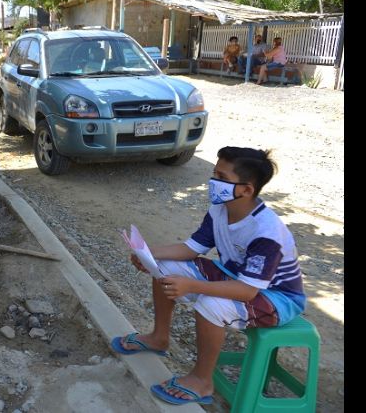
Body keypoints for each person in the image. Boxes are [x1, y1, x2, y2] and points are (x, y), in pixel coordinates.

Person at [110, 147, 305, 406]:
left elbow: (248, 292)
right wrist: (149, 254)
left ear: (246, 189)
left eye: (221, 177)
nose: (213, 182)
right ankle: (159, 337)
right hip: (235, 276)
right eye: (214, 173)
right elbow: (192, 248)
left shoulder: (267, 232)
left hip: (276, 297)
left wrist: (192, 285)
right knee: (165, 268)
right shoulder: (220, 209)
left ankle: (202, 381)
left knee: (211, 305)